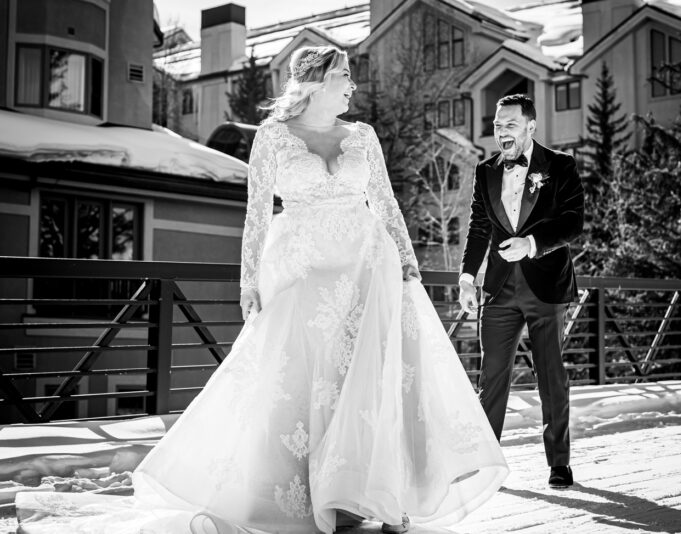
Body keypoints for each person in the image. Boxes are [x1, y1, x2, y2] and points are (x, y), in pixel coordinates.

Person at [33, 46, 507, 534]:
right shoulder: (273, 137)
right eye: (344, 75)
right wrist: (248, 282)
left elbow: (384, 202)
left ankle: (380, 494)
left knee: (373, 379)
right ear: (316, 82)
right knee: (305, 383)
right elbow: (256, 214)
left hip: (368, 266)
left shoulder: (363, 136)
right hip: (302, 269)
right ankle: (317, 494)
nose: (352, 85)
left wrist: (407, 262)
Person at [458, 94, 584, 489]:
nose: (501, 132)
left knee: (550, 376)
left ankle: (559, 463)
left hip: (546, 285)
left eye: (510, 124)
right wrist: (466, 276)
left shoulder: (561, 166)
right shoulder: (485, 170)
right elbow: (479, 225)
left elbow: (572, 222)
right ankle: (488, 464)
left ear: (530, 126)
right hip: (497, 289)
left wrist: (532, 244)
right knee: (492, 376)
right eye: (497, 125)